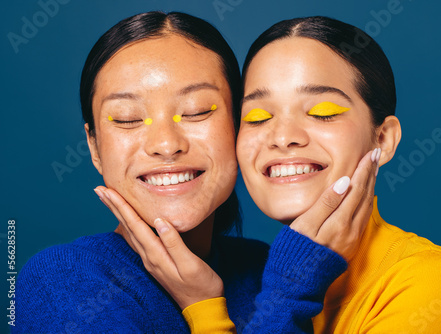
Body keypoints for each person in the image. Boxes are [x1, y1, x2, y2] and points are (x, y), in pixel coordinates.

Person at [103, 16, 441, 333]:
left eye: (322, 112)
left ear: (384, 138)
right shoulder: (260, 279)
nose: (283, 137)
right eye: (257, 117)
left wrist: (206, 314)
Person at [15, 11, 271, 333]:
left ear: (239, 125)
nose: (166, 144)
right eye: (126, 118)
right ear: (94, 148)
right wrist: (206, 311)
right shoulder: (62, 281)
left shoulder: (269, 270)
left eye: (196, 111)